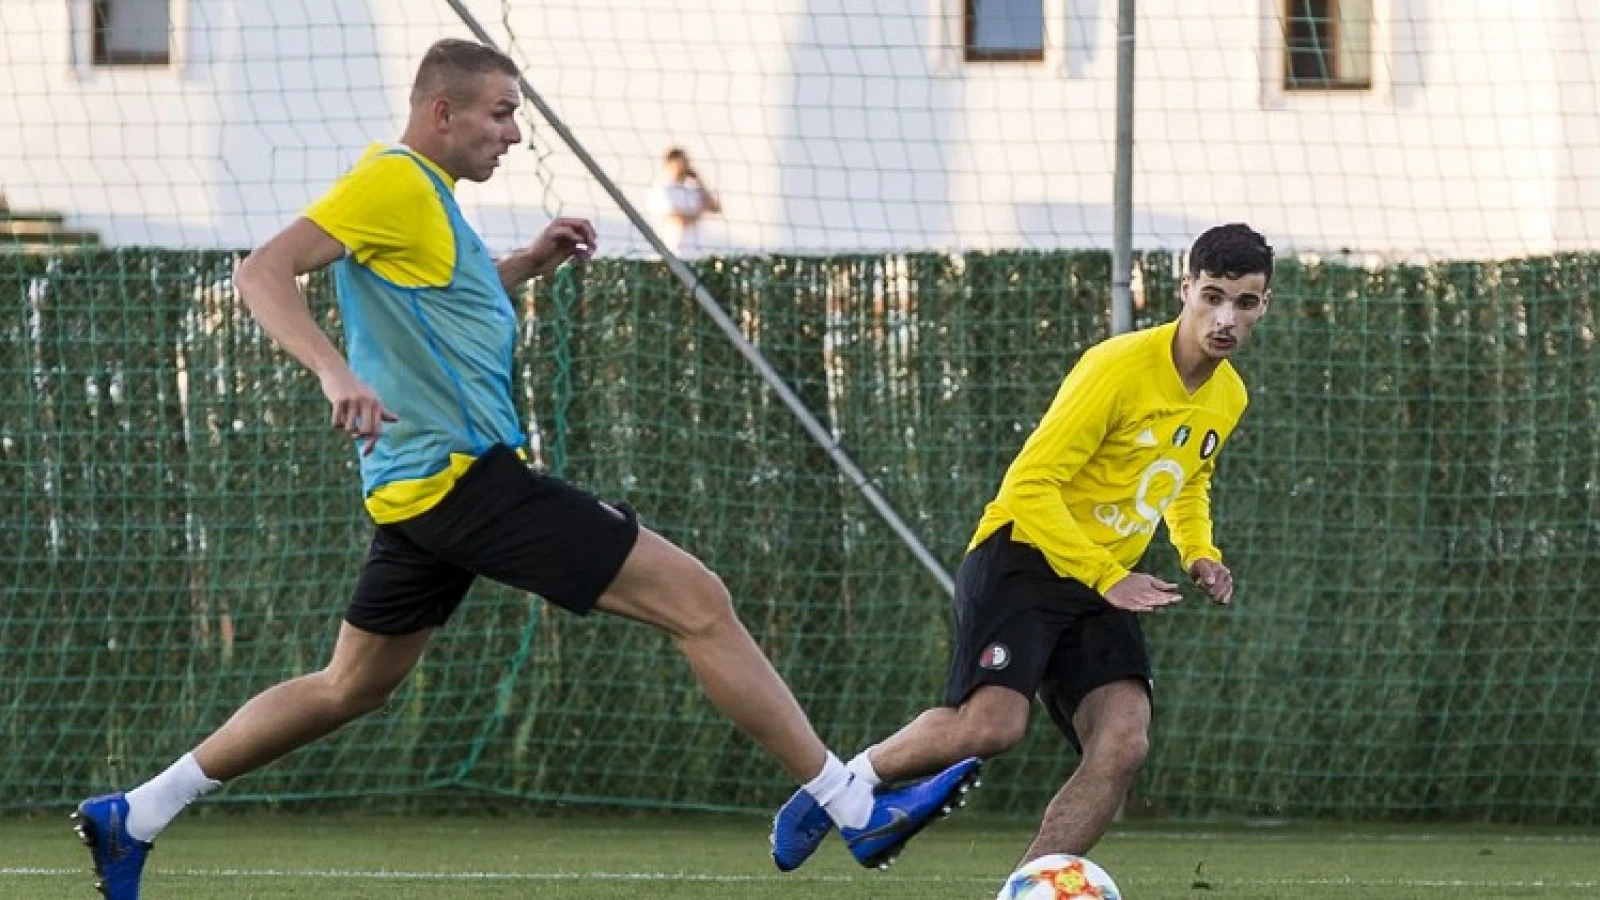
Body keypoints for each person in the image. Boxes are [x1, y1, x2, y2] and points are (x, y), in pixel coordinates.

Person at [72, 38, 975, 900]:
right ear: (441, 111)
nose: (513, 132)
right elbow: (262, 271)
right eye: (502, 114)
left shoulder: (428, 201)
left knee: (352, 686)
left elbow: (444, 306)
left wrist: (527, 263)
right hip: (467, 481)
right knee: (700, 602)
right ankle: (851, 805)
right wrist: (333, 371)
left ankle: (136, 814)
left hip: (424, 491)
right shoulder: (391, 180)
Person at [771, 223, 1273, 872]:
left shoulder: (1229, 394)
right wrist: (1105, 575)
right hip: (1026, 555)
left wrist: (1199, 551)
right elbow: (1029, 484)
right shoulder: (1116, 366)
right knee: (993, 726)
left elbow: (1187, 477)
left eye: (1245, 302)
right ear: (1184, 290)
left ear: (1265, 305)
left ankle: (1027, 890)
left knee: (1122, 745)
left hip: (1100, 580)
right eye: (1212, 296)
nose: (1225, 317)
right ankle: (839, 790)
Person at [647, 146, 720, 258]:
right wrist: (700, 212)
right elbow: (678, 219)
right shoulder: (662, 189)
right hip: (672, 253)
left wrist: (700, 181)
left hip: (696, 253)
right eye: (682, 162)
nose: (685, 166)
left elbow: (715, 208)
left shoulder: (691, 188)